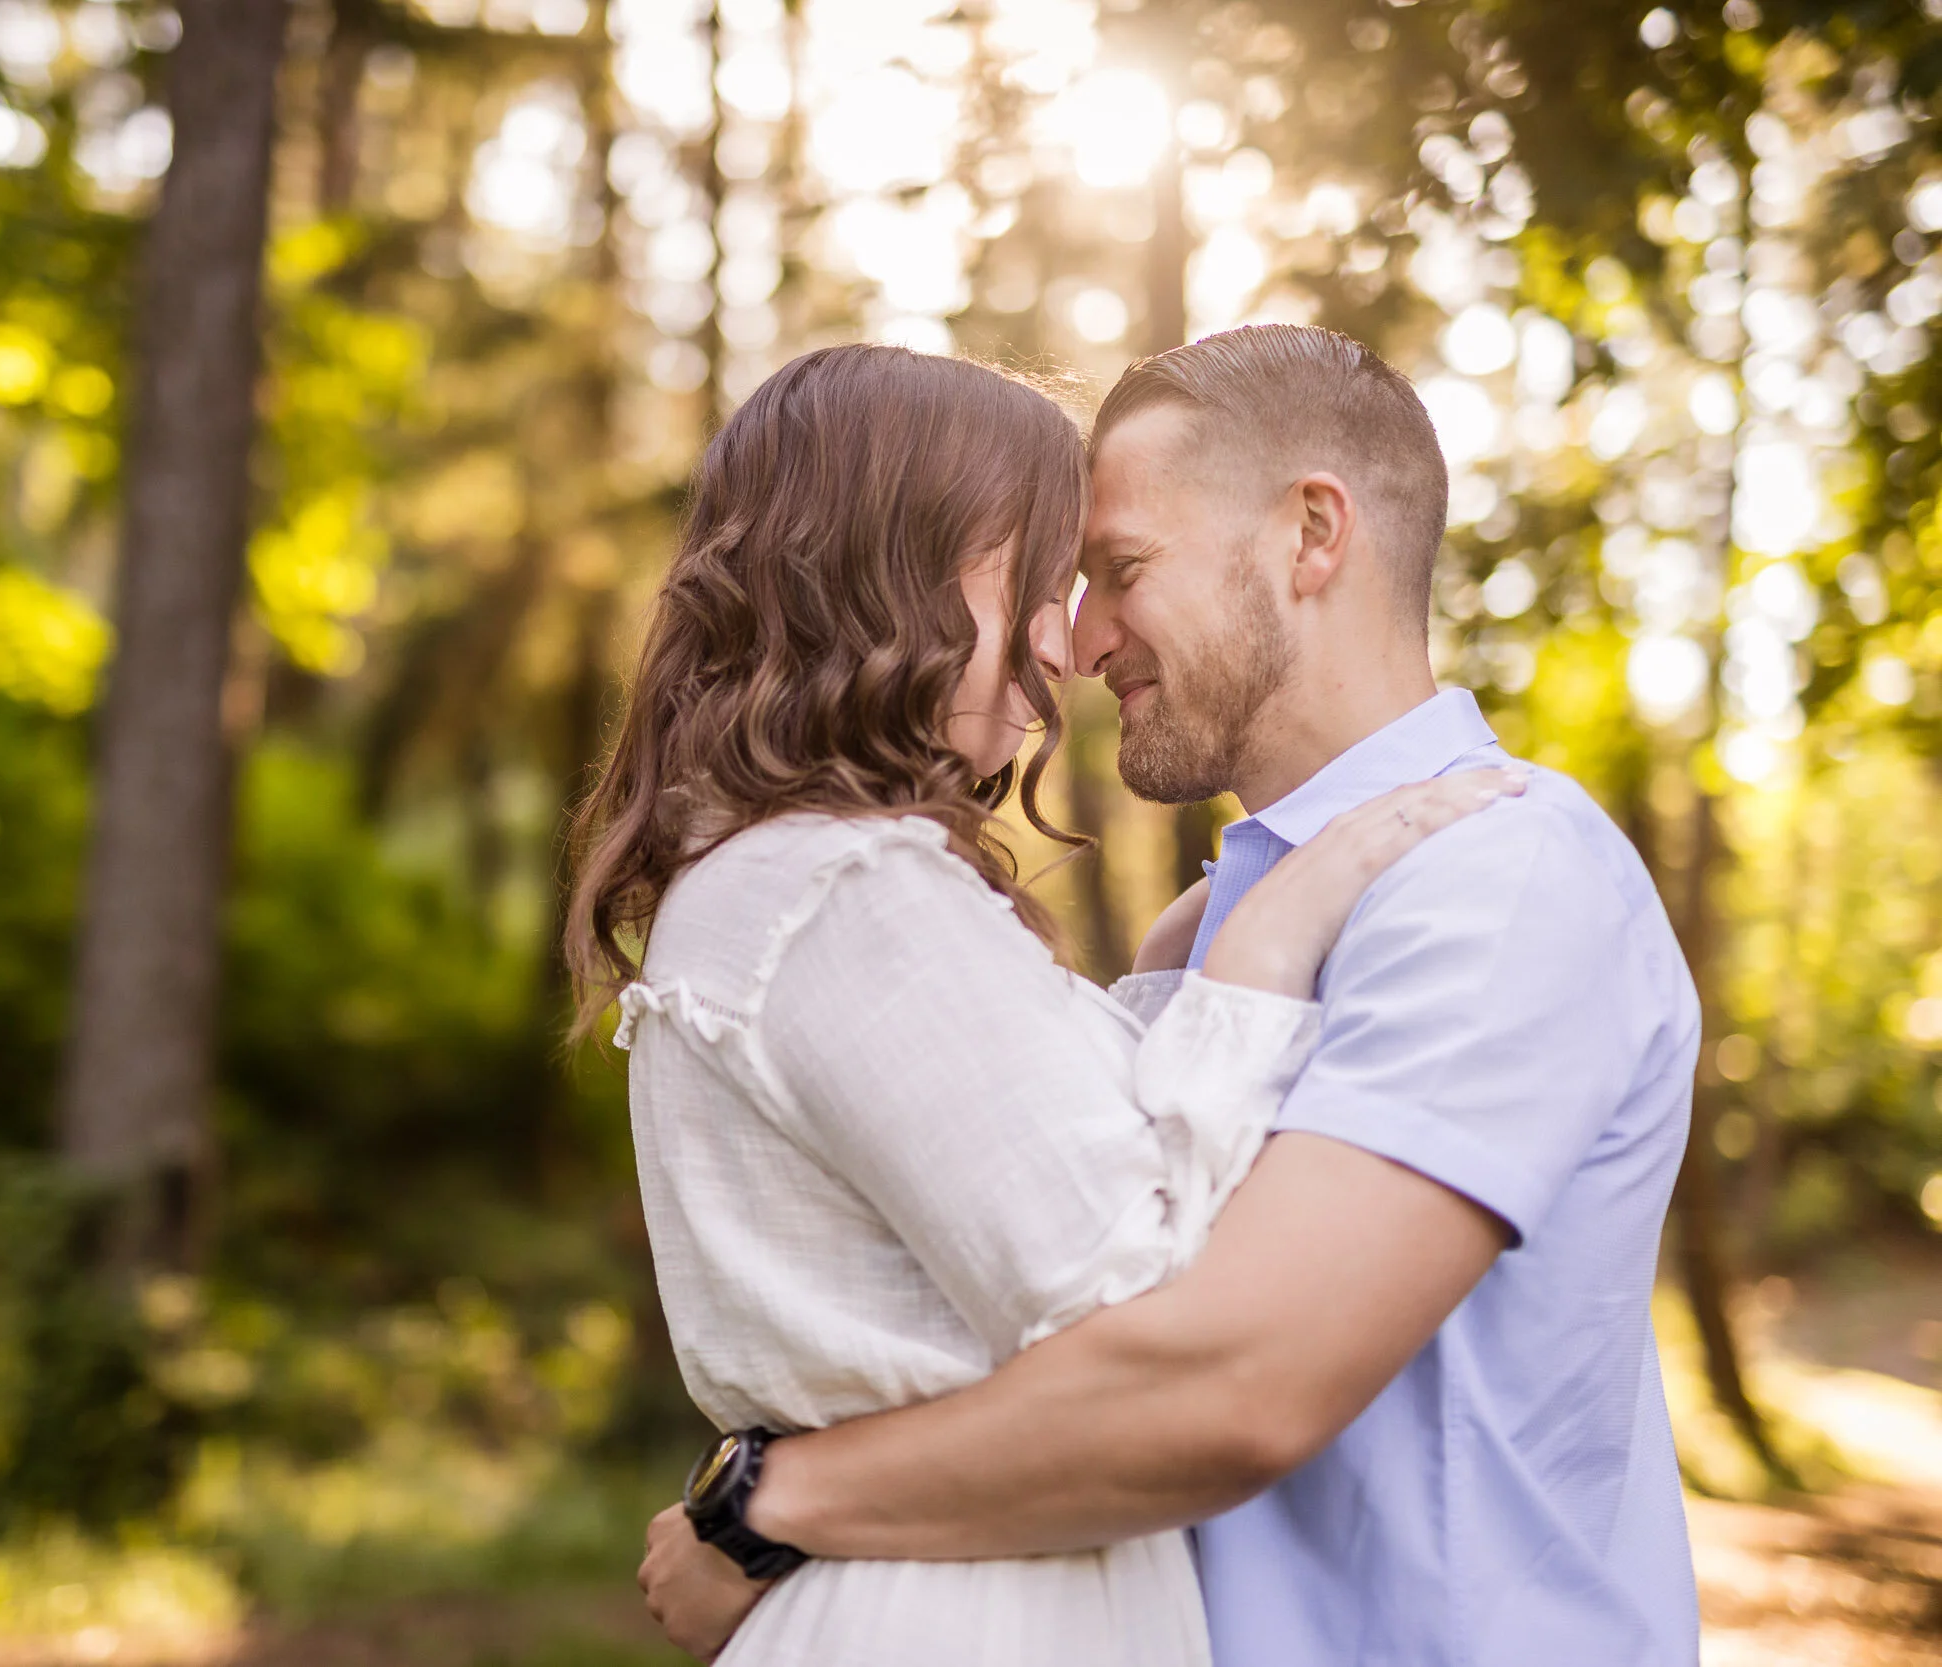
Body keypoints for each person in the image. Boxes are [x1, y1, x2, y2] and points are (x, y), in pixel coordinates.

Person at [635, 324, 1703, 1666]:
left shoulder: (1491, 881)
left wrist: (771, 1507)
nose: (1078, 643)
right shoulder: (1209, 937)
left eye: (1117, 570)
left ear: (1312, 534)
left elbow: (1224, 1384)